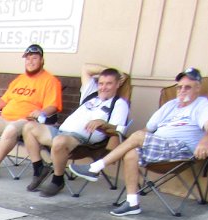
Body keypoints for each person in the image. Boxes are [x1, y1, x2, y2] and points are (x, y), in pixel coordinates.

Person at [69, 67, 208, 216]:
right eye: (180, 87)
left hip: (181, 149)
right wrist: (131, 143)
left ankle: (95, 168)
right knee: (131, 153)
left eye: (188, 87)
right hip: (159, 146)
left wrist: (206, 139)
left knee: (138, 136)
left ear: (198, 88)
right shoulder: (170, 105)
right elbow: (148, 129)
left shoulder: (202, 104)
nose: (182, 90)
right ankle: (132, 203)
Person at [23, 65, 129, 197]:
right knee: (29, 127)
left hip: (80, 139)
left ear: (118, 84)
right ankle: (39, 168)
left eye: (109, 83)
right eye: (101, 83)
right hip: (60, 131)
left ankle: (57, 180)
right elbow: (85, 68)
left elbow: (118, 130)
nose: (103, 87)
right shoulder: (91, 93)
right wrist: (116, 72)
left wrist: (103, 123)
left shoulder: (119, 104)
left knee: (59, 141)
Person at [0, 44, 62, 181]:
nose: (30, 61)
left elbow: (53, 106)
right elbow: (2, 101)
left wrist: (41, 112)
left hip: (27, 121)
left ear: (42, 60)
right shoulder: (19, 80)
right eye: (27, 59)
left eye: (34, 58)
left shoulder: (51, 81)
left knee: (10, 129)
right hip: (5, 118)